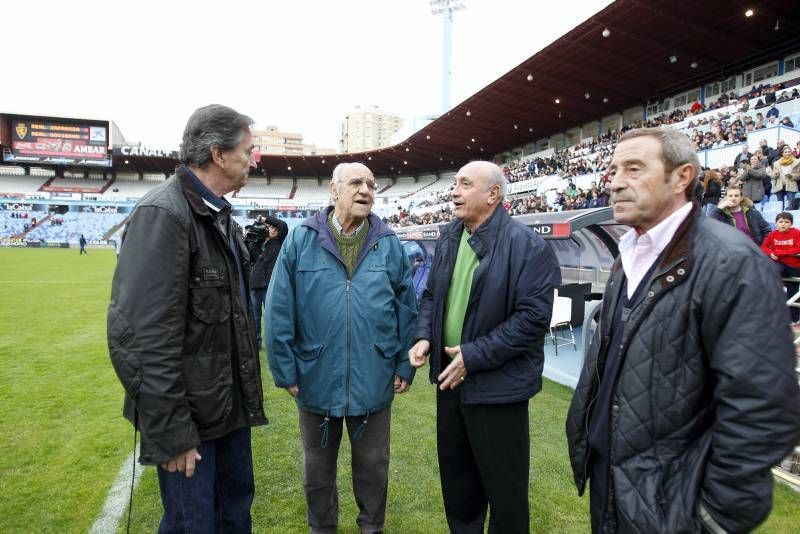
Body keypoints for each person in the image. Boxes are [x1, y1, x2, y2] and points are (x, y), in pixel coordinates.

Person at [566, 127, 800, 533]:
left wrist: (709, 517)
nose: (616, 181)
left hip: (673, 505)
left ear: (682, 177)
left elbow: (764, 410)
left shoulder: (733, 264)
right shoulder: (631, 255)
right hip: (612, 483)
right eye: (612, 170)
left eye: (634, 168)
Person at [107, 104, 267, 532]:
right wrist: (174, 433)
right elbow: (140, 339)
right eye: (249, 150)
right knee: (192, 525)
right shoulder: (165, 214)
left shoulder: (217, 216)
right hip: (190, 425)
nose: (255, 159)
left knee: (234, 518)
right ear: (218, 154)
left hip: (226, 416)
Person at [265, 162, 417, 534]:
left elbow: (406, 309)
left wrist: (403, 364)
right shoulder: (300, 240)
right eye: (355, 183)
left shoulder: (389, 243)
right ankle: (322, 529)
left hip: (374, 379)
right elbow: (278, 308)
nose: (365, 190)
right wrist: (285, 370)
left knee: (373, 469)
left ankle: (372, 528)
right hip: (316, 378)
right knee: (317, 473)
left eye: (371, 183)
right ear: (334, 191)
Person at [409, 160, 560, 533]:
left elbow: (533, 320)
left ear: (493, 195)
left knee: (505, 496)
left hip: (498, 391)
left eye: (464, 184)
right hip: (450, 384)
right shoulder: (449, 236)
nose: (454, 191)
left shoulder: (528, 247)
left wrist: (472, 357)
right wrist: (425, 334)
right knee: (459, 489)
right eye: (454, 184)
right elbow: (432, 296)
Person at [249, 214, 288, 348]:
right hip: (255, 284)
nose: (272, 230)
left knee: (271, 316)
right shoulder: (259, 241)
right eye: (269, 227)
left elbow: (282, 225)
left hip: (270, 285)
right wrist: (256, 233)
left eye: (273, 228)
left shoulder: (279, 242)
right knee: (254, 317)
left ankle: (274, 343)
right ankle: (256, 343)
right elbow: (251, 255)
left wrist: (265, 219)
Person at [761, 211, 800, 323]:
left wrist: (779, 252)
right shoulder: (773, 234)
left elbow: (798, 248)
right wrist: (770, 253)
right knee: (772, 272)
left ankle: (794, 318)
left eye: (786, 222)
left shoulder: (796, 233)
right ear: (776, 223)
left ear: (791, 224)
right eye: (780, 222)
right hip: (780, 264)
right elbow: (764, 247)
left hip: (794, 266)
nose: (783, 224)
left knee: (793, 292)